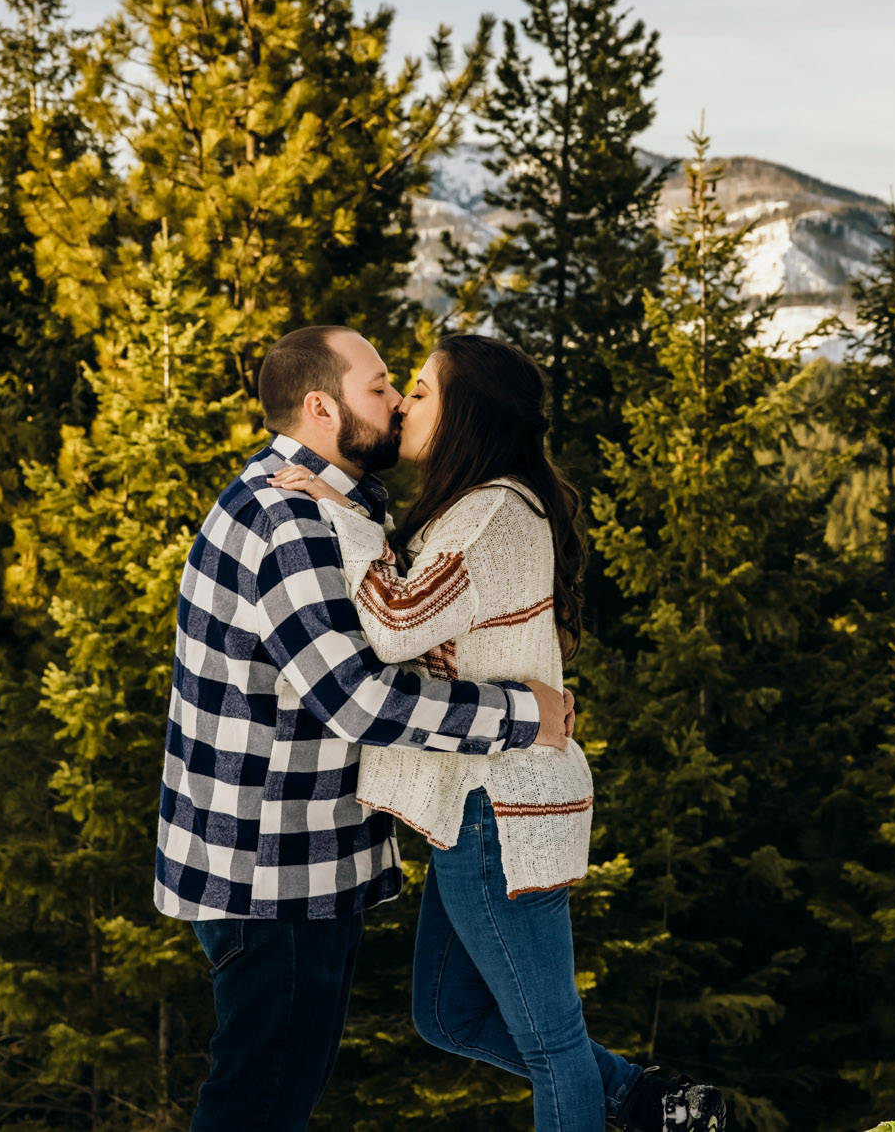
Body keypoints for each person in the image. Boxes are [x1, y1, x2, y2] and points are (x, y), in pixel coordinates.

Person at [270, 333, 729, 1132]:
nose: (403, 403)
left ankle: (646, 1104)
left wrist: (337, 516)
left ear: (466, 413)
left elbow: (394, 621)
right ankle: (653, 1103)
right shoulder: (478, 506)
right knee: (445, 1014)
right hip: (479, 805)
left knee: (550, 1045)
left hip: (499, 808)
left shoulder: (489, 513)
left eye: (419, 389)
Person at [154, 325, 573, 1132]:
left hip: (295, 861)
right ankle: (626, 1096)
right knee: (260, 1102)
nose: (397, 401)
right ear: (321, 406)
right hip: (271, 874)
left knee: (274, 1091)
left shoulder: (340, 502)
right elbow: (357, 700)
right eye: (380, 386)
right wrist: (526, 715)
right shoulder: (291, 520)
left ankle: (623, 1092)